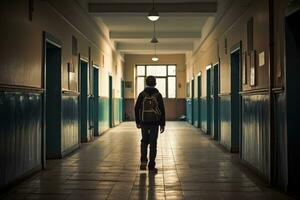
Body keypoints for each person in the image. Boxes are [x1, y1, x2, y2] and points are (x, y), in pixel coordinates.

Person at [134, 75, 165, 174]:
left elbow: (136, 108)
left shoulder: (142, 94)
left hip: (144, 122)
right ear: (155, 83)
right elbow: (162, 110)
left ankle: (143, 161)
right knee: (153, 143)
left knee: (144, 141)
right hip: (155, 123)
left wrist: (138, 121)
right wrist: (162, 124)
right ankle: (151, 165)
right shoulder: (158, 95)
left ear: (146, 83)